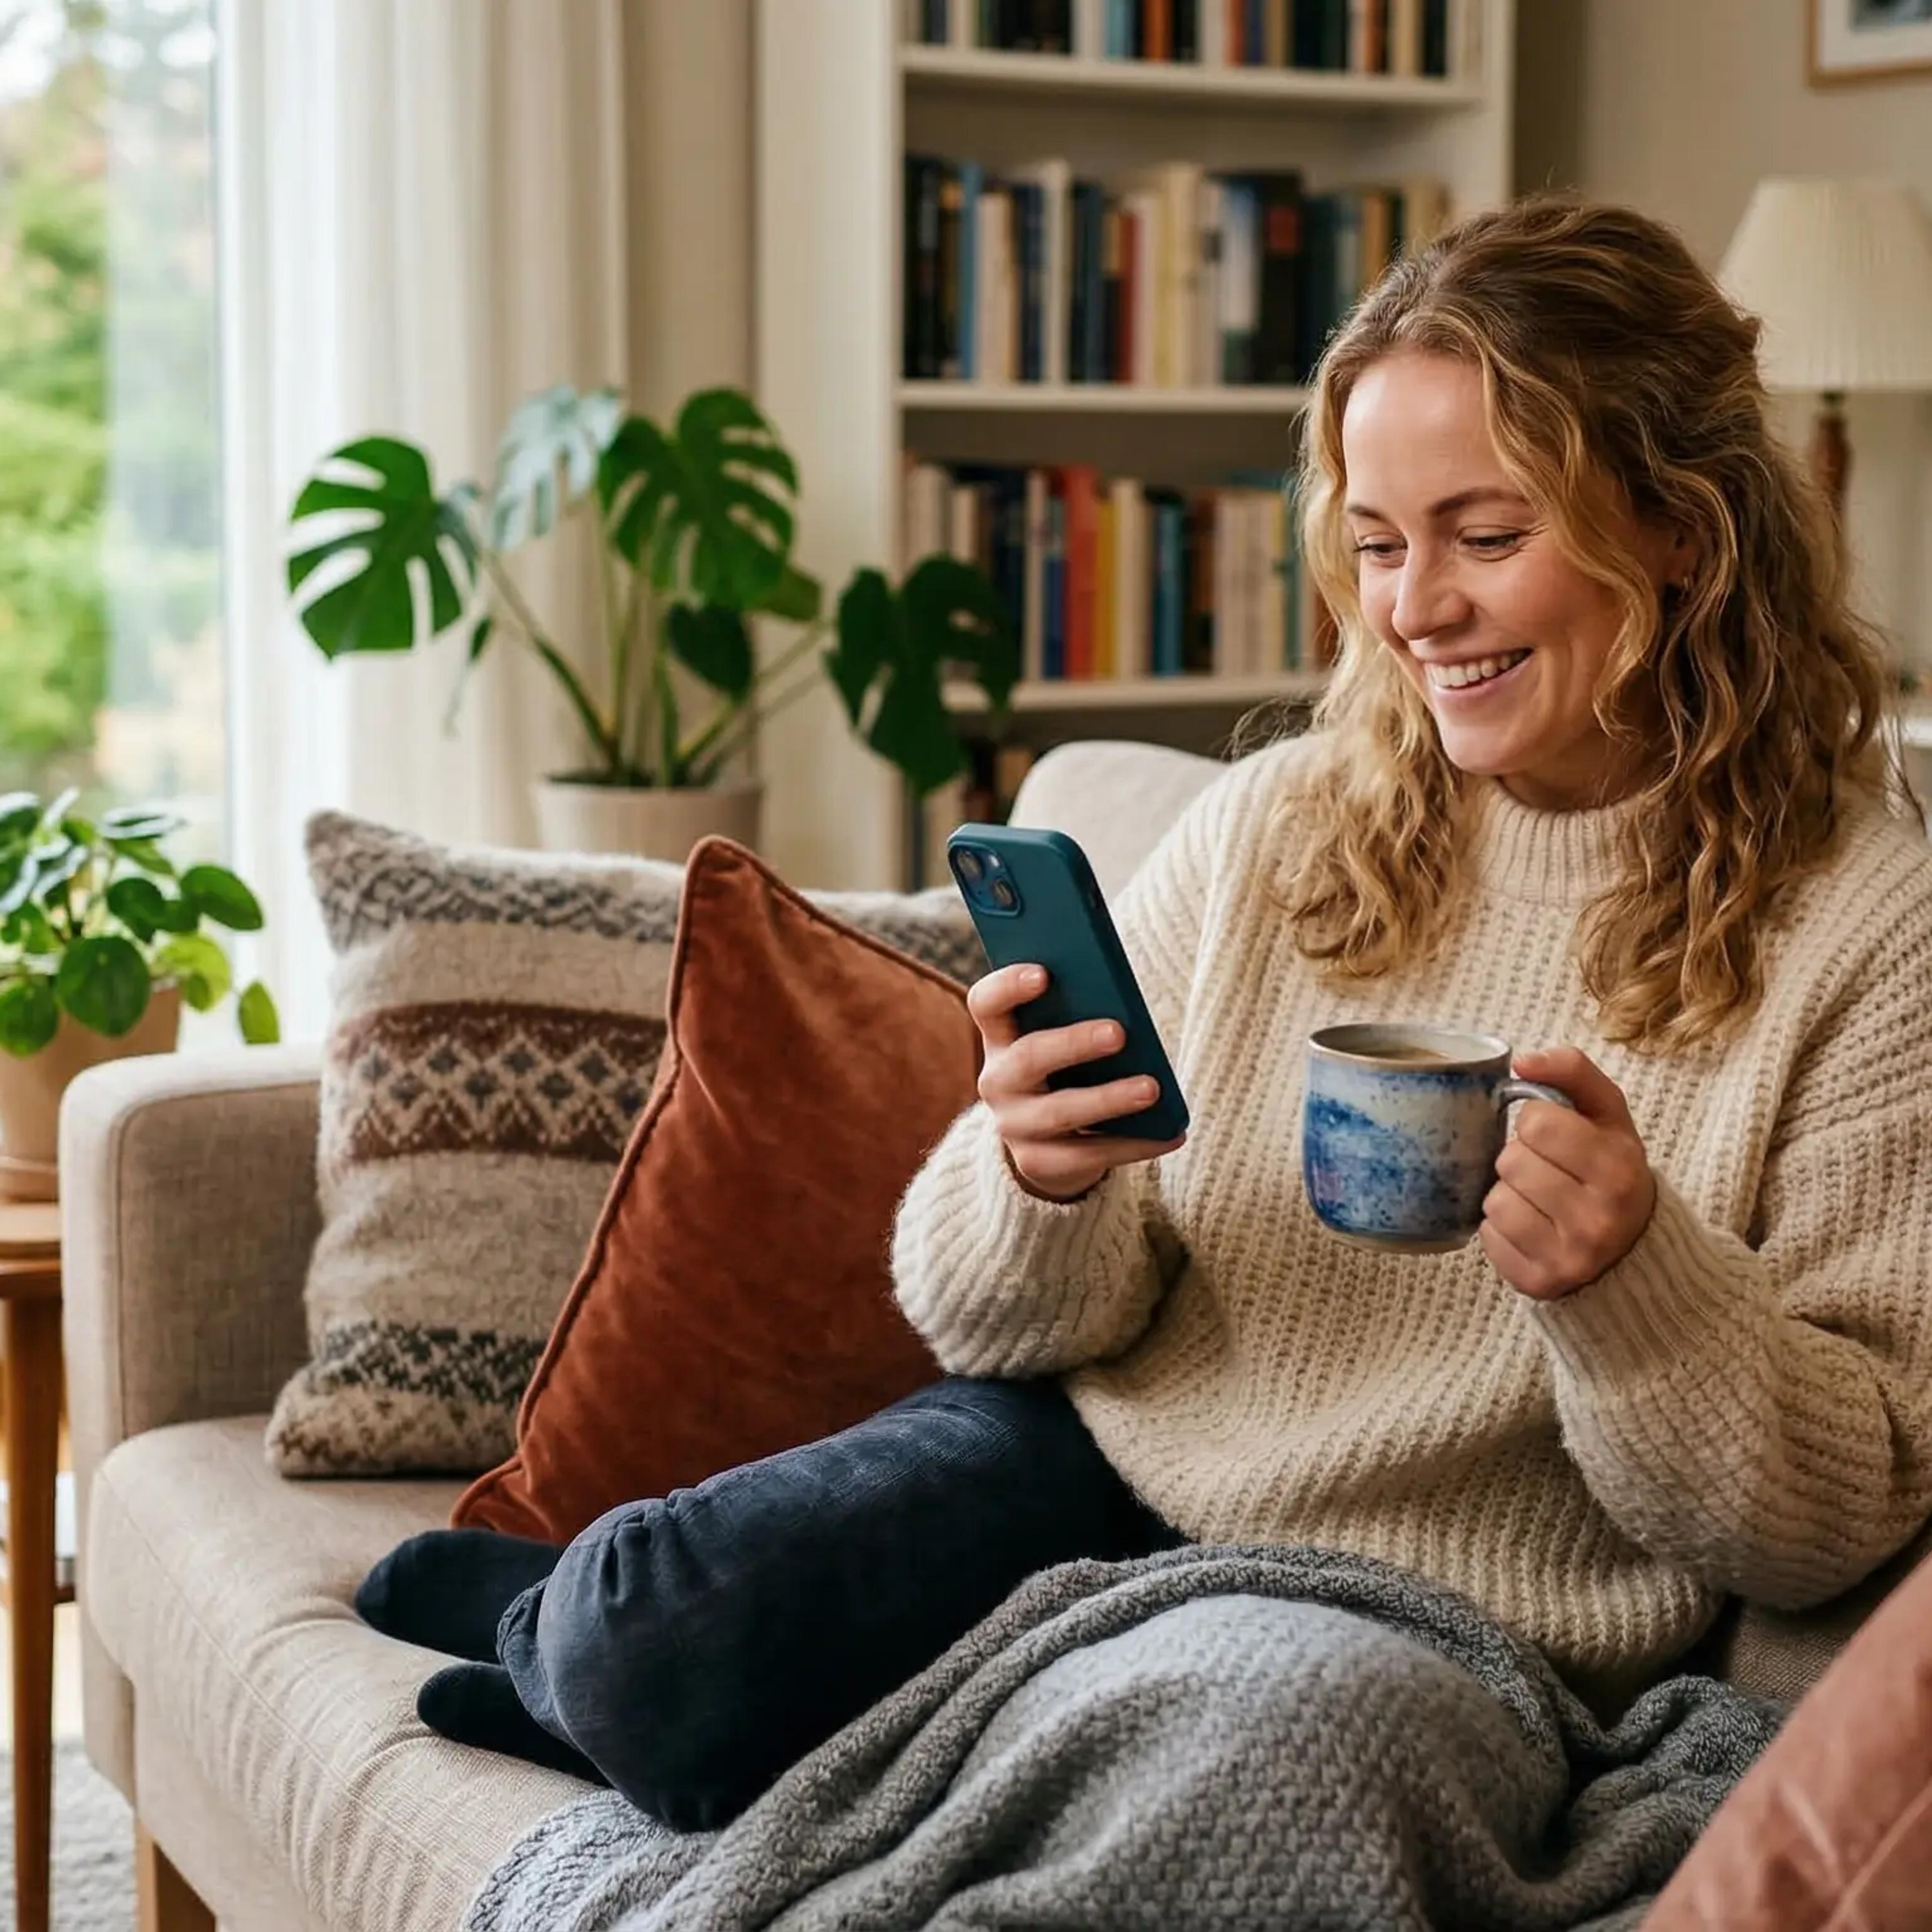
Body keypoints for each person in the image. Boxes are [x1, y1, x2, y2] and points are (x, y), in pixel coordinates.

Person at [358, 192, 1932, 1836]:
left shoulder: (1866, 925)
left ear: (1682, 524)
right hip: (1111, 1469)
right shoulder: (1287, 820)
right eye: (1381, 544)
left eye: (1488, 534)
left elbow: (1840, 1515)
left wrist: (1635, 1285)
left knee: (739, 1687)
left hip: (1445, 1607)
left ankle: (618, 1680)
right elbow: (999, 1330)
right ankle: (568, 1638)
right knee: (649, 1627)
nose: (1416, 610)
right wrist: (1039, 1174)